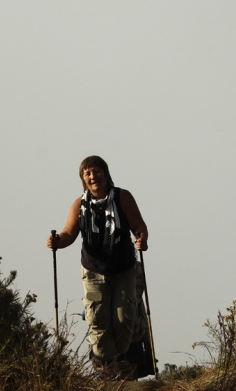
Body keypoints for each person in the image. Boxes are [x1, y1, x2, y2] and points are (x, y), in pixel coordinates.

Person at [47, 155, 149, 376]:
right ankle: (112, 367)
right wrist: (56, 242)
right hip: (93, 271)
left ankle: (115, 361)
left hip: (124, 269)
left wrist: (142, 239)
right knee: (98, 322)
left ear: (106, 174)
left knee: (124, 319)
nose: (93, 177)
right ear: (83, 179)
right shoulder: (80, 205)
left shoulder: (123, 198)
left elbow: (139, 226)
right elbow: (68, 234)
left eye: (97, 172)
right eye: (88, 173)